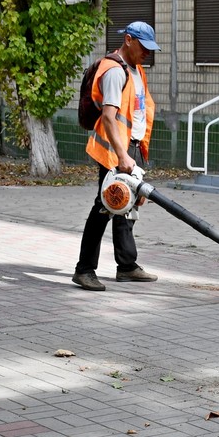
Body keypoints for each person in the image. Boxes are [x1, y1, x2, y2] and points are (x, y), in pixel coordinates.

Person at [72, 21, 160, 291]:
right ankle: (84, 270)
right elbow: (109, 118)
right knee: (105, 206)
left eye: (150, 49)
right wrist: (122, 155)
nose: (147, 53)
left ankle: (127, 266)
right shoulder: (114, 71)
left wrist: (134, 152)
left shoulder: (136, 70)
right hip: (114, 150)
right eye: (143, 47)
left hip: (129, 147)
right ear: (130, 40)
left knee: (126, 205)